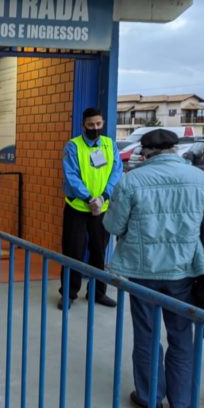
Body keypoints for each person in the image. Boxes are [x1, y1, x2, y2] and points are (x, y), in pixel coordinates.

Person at [104, 129, 204, 408]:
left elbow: (114, 226)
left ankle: (150, 399)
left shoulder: (132, 181)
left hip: (143, 271)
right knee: (181, 336)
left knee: (147, 334)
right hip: (185, 270)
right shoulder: (202, 180)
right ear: (175, 149)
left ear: (145, 152)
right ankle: (180, 404)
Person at [59, 107, 122, 310]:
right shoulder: (73, 146)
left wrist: (103, 197)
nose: (95, 128)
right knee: (72, 252)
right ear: (83, 125)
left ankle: (97, 293)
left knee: (98, 252)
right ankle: (69, 293)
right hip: (77, 208)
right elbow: (71, 175)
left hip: (101, 209)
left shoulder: (109, 145)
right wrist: (89, 198)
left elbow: (116, 172)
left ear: (102, 123)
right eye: (90, 125)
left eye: (98, 124)